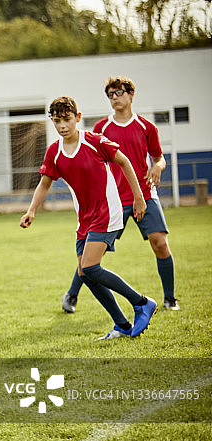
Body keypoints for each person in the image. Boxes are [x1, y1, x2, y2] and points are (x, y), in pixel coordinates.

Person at [20, 96, 157, 340]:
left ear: (78, 118)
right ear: (52, 121)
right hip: (84, 219)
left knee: (91, 266)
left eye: (67, 119)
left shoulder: (94, 141)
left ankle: (142, 303)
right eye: (57, 121)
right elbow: (44, 183)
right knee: (86, 274)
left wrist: (138, 197)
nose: (63, 125)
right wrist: (31, 210)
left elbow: (124, 161)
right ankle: (122, 326)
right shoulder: (54, 152)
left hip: (108, 211)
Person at [60, 76, 178, 314]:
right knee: (92, 253)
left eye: (119, 92)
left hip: (144, 195)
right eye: (110, 94)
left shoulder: (147, 127)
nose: (115, 97)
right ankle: (71, 295)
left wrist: (158, 167)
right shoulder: (101, 128)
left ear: (131, 94)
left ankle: (170, 299)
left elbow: (159, 157)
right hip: (112, 201)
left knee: (160, 243)